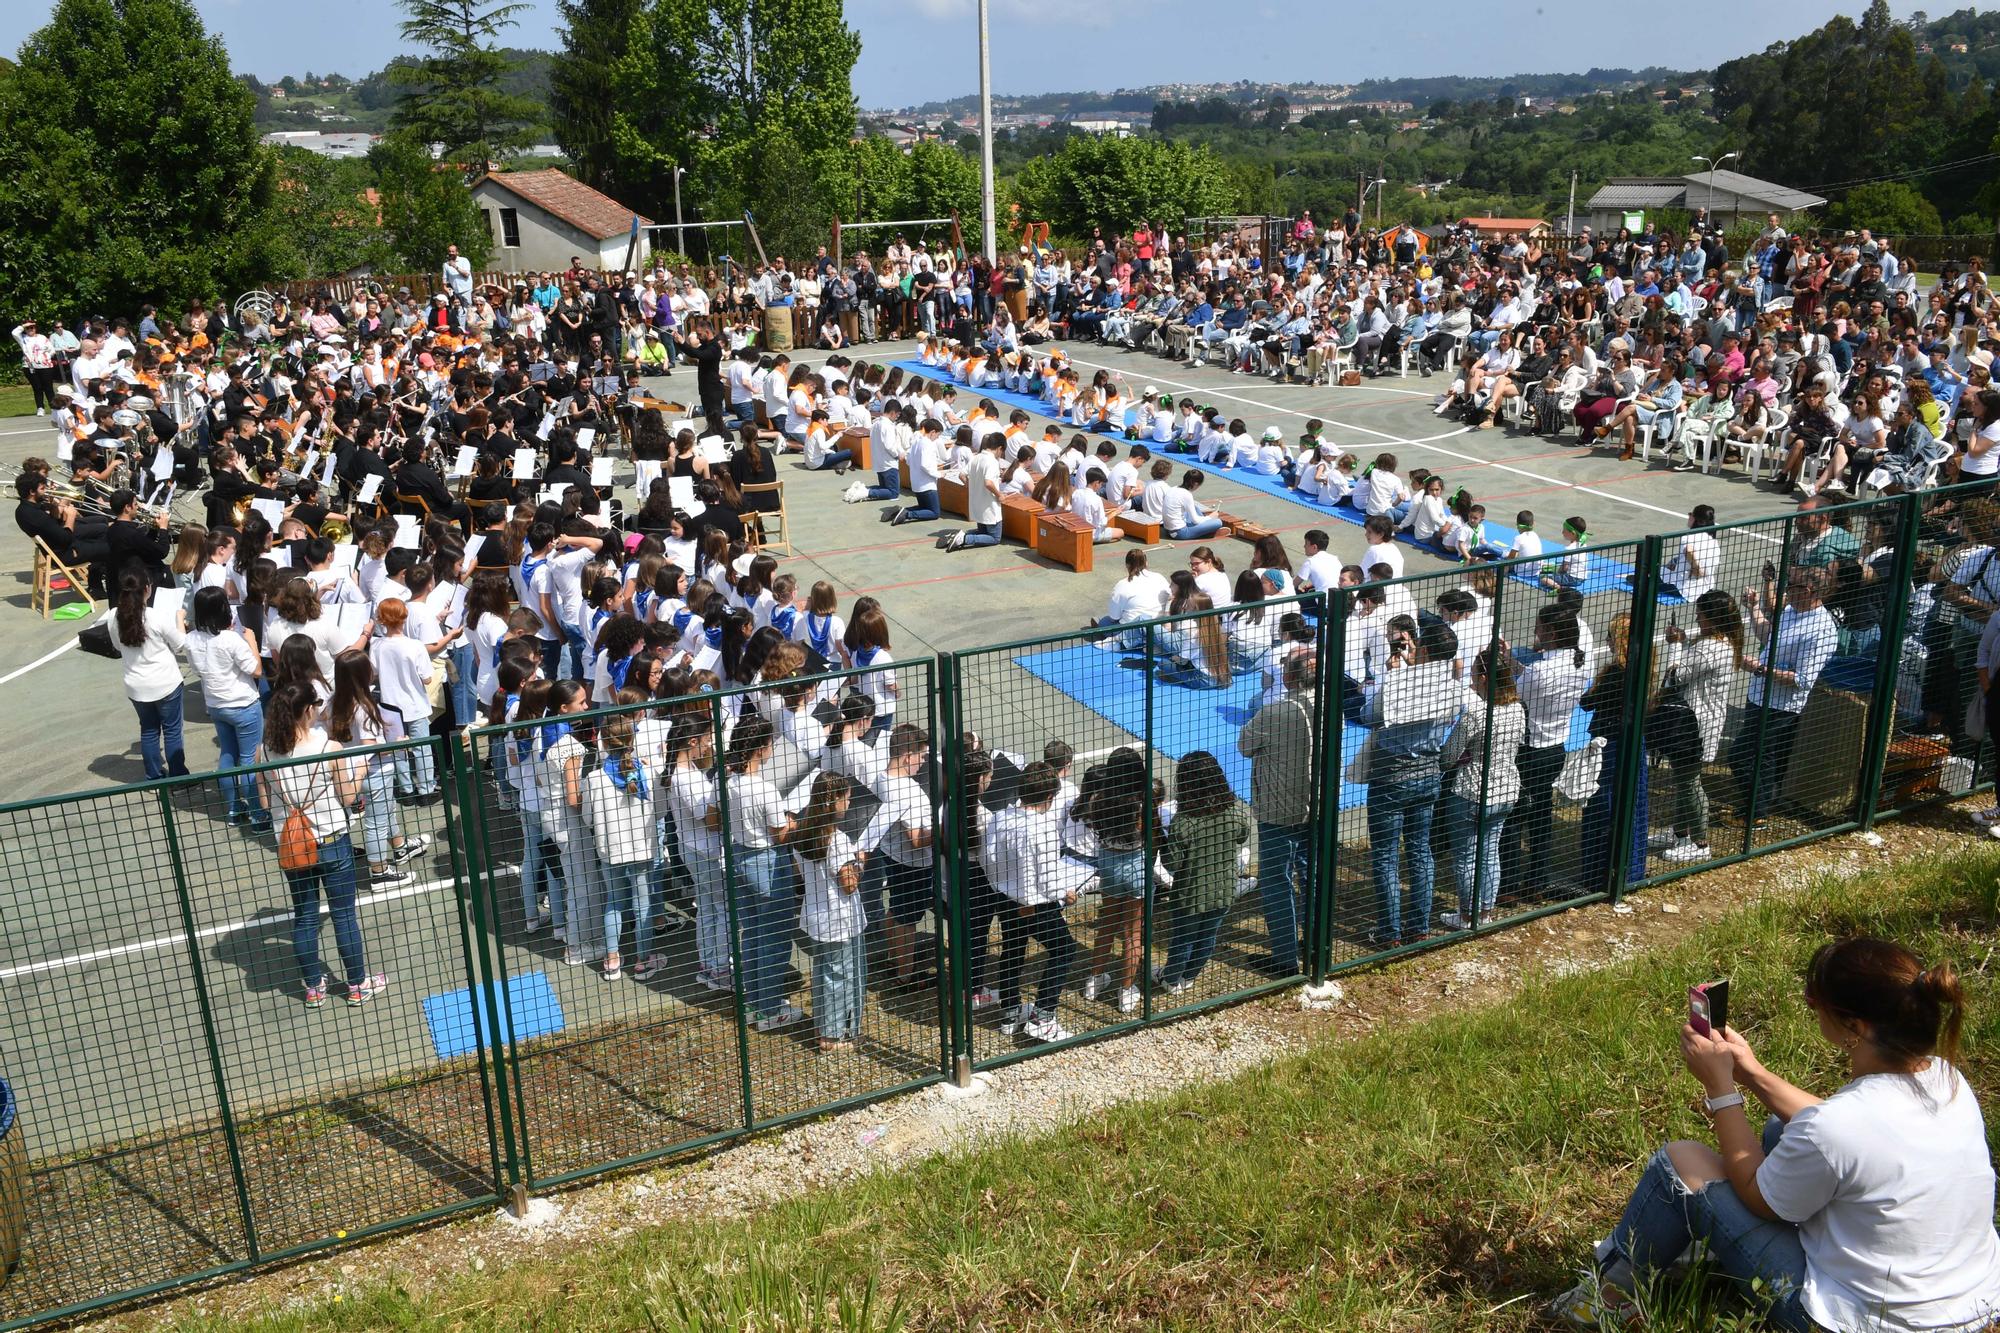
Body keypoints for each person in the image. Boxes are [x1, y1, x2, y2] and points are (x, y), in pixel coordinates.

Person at [1553, 937, 2000, 1333]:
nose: (1809, 1003)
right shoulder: (1947, 1080)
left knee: (1682, 1163)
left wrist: (1720, 1088)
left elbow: (1756, 1195)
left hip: (1851, 1321)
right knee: (1781, 1128)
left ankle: (1601, 1301)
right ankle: (1705, 1249)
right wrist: (1751, 1071)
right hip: (1967, 1307)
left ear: (1854, 1026)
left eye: (1815, 1001)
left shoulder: (1838, 1129)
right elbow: (1833, 1131)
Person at [258, 681, 384, 1008]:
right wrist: (360, 772)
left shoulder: (265, 750)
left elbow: (263, 801)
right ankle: (357, 984)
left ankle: (314, 986)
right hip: (330, 839)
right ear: (307, 711)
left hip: (293, 844)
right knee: (343, 915)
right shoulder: (328, 748)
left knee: (305, 917)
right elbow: (346, 796)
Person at [1363, 618, 1457, 945]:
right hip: (1430, 773)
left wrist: (1393, 674)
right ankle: (1419, 926)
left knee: (1386, 855)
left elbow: (1369, 715)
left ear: (1424, 648)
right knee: (1420, 850)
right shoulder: (1453, 685)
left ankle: (1390, 931)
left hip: (1391, 775)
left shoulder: (1399, 681)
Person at [1729, 566, 1839, 827]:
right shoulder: (1792, 611)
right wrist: (1754, 608)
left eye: (1793, 587)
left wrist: (1758, 668)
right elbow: (1770, 636)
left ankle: (1757, 811)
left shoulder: (1821, 630)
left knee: (1743, 756)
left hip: (1780, 706)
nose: (1786, 592)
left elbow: (1802, 680)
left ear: (1811, 592)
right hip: (1760, 696)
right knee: (1760, 756)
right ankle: (1755, 810)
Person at [986, 760, 1077, 1044]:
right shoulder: (1044, 830)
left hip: (1004, 897)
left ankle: (1011, 1012)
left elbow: (988, 858)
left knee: (1013, 950)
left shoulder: (999, 817)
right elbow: (1049, 880)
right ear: (1049, 797)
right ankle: (1043, 1015)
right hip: (1035, 903)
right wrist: (1066, 891)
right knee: (1064, 950)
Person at [1237, 650, 1316, 974]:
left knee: (1276, 881)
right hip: (1317, 804)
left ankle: (1285, 958)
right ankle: (1314, 941)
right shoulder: (1329, 706)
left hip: (1279, 807)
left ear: (1288, 677)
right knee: (1310, 874)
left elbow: (1244, 745)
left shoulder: (1276, 712)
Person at [1437, 646, 1524, 931]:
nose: (1471, 680)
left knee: (1466, 856)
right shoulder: (1517, 709)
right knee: (1490, 852)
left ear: (1485, 678)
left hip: (1472, 791)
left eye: (1474, 674)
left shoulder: (1477, 714)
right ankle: (1484, 912)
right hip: (1507, 789)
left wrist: (1463, 756)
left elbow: (1448, 756)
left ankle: (1467, 916)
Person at [1654, 590, 1743, 865]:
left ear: (1713, 619)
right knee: (1684, 782)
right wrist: (1685, 640)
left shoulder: (1710, 648)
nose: (1697, 617)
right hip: (1701, 722)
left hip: (1693, 726)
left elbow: (1676, 676)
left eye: (1701, 614)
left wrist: (1675, 647)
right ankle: (1680, 833)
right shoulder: (1722, 643)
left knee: (1690, 783)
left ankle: (1699, 842)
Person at [1156, 749, 1251, 994]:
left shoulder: (1184, 822)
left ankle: (1171, 978)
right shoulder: (1234, 811)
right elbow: (1243, 835)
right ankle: (1189, 976)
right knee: (1208, 936)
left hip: (1191, 893)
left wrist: (1163, 842)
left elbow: (1172, 864)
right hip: (1224, 889)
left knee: (1183, 938)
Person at [582, 714, 659, 982]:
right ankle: (643, 960)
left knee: (614, 902)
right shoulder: (647, 772)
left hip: (610, 849)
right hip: (642, 847)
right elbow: (659, 811)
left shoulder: (593, 779)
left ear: (603, 743)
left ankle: (612, 959)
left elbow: (587, 818)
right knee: (642, 903)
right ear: (632, 740)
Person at [794, 771, 866, 1052]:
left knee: (824, 972)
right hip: (840, 918)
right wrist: (859, 863)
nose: (848, 803)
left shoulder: (801, 831)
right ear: (833, 799)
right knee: (844, 974)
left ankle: (824, 1026)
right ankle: (836, 1034)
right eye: (846, 797)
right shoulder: (836, 840)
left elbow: (800, 872)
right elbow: (849, 884)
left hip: (816, 914)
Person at [184, 585, 266, 829]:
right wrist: (251, 641)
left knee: (228, 756)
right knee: (250, 759)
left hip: (216, 705)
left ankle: (233, 809)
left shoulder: (190, 640)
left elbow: (198, 670)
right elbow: (257, 670)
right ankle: (257, 814)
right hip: (243, 704)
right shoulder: (231, 639)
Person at [113, 570, 189, 779]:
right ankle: (179, 777)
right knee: (172, 731)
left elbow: (116, 646)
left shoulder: (115, 616)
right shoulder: (156, 616)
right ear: (147, 589)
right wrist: (179, 619)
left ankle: (154, 777)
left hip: (136, 686)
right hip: (165, 683)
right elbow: (181, 644)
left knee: (148, 730)